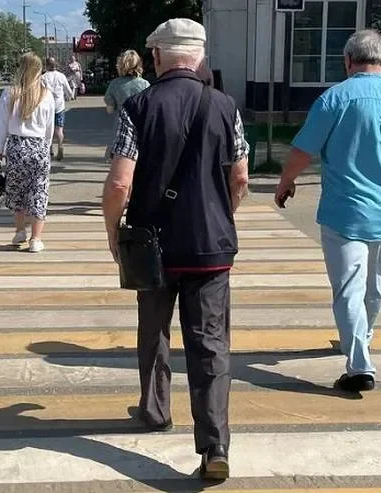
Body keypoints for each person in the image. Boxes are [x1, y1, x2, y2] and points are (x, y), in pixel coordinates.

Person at [101, 18, 249, 481]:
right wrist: (221, 216)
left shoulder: (139, 106)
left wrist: (113, 234)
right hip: (210, 248)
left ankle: (155, 410)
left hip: (152, 245)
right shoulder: (225, 105)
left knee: (154, 330)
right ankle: (214, 445)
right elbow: (240, 176)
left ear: (158, 56)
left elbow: (120, 182)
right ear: (200, 57)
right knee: (210, 344)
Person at [276, 29, 381, 393]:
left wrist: (286, 181)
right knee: (373, 280)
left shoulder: (334, 99)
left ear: (348, 60)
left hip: (344, 211)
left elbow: (303, 151)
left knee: (349, 287)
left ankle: (359, 366)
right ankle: (362, 337)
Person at [0, 52, 56, 254]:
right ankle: (36, 239)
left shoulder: (10, 93)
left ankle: (20, 231)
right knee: (39, 191)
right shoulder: (46, 94)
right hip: (38, 147)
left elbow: (1, 124)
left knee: (16, 189)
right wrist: (47, 146)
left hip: (16, 147)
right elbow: (49, 127)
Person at [103, 50, 150, 161]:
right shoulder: (145, 84)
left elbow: (110, 109)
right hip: (141, 128)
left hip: (120, 128)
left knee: (119, 161)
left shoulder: (114, 84)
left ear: (121, 65)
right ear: (139, 65)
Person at [41, 57, 74, 161]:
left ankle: (50, 149)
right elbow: (68, 91)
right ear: (56, 65)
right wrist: (69, 96)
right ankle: (60, 146)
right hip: (59, 106)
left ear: (46, 65)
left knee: (48, 129)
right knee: (59, 130)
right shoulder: (61, 76)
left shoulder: (43, 77)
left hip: (47, 106)